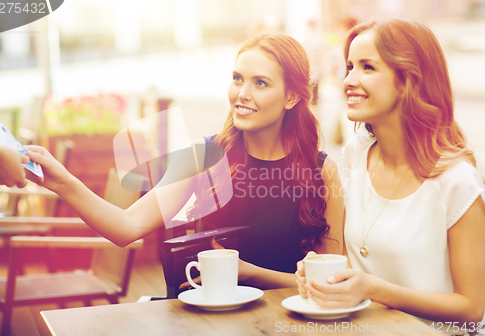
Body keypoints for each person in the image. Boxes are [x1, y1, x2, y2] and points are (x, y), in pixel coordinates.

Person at [26, 33, 344, 289]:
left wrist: (248, 273)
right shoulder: (203, 156)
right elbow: (126, 227)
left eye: (260, 83)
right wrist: (63, 183)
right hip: (215, 320)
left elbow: (330, 284)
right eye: (237, 78)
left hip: (287, 321)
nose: (242, 93)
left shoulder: (321, 170)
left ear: (291, 97)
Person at [296, 18, 485, 330]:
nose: (349, 80)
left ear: (408, 80)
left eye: (368, 67)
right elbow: (351, 257)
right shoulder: (355, 153)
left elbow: (472, 307)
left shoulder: (457, 181)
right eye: (349, 66)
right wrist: (322, 274)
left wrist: (372, 289)